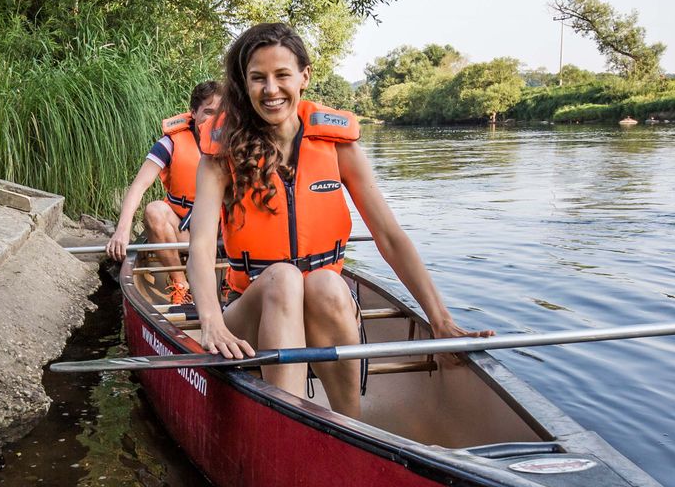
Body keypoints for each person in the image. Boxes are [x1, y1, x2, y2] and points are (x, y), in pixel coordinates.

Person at [185, 22, 488, 419]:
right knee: (283, 278)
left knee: (328, 282)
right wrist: (210, 322)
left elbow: (389, 235)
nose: (271, 89)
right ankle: (286, 424)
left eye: (282, 76)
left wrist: (440, 320)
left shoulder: (335, 144)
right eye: (258, 78)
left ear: (304, 77)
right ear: (245, 83)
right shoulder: (220, 151)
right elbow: (202, 245)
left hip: (322, 307)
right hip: (249, 311)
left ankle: (350, 424)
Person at [105, 79, 223, 305]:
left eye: (220, 113)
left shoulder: (235, 143)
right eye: (208, 112)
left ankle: (231, 282)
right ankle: (180, 283)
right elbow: (139, 185)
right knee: (154, 210)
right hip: (182, 230)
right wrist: (122, 231)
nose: (214, 119)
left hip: (217, 233)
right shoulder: (171, 142)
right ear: (194, 113)